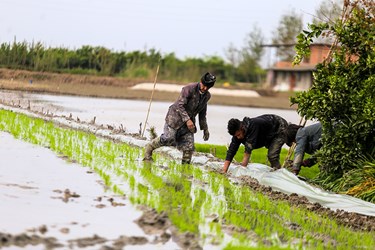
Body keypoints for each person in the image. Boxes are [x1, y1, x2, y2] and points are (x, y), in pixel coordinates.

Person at [143, 72, 216, 164]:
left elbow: (202, 113)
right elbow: (180, 105)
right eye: (204, 85)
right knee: (168, 138)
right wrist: (188, 120)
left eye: (207, 87)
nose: (205, 88)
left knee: (189, 147)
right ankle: (149, 148)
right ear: (200, 82)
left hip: (188, 124)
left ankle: (184, 169)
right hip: (175, 118)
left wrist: (205, 128)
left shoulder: (207, 96)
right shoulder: (189, 89)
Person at [222, 114, 289, 173]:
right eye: (236, 136)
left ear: (242, 128)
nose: (238, 137)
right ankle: (275, 170)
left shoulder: (253, 126)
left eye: (239, 135)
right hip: (267, 133)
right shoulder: (237, 134)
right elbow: (231, 151)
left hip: (279, 128)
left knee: (272, 155)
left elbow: (248, 151)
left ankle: (278, 174)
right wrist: (224, 171)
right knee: (271, 154)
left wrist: (242, 171)